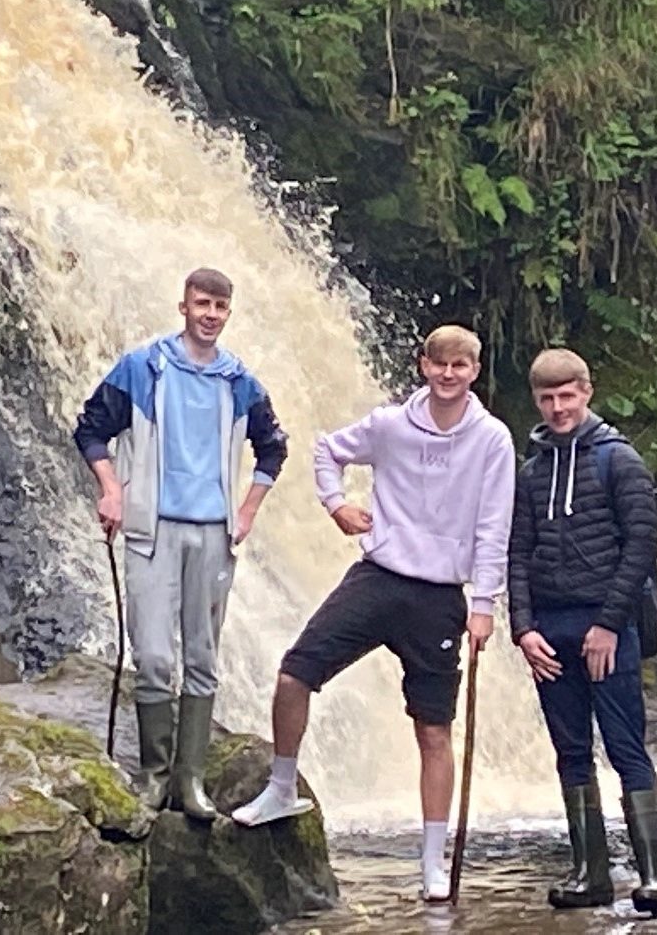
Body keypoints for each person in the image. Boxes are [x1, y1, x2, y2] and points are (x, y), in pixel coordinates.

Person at [231, 325, 516, 901]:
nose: (448, 374)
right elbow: (327, 450)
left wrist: (484, 604)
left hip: (440, 595)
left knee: (433, 729)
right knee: (294, 673)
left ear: (474, 371)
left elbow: (494, 524)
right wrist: (336, 504)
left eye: (460, 365)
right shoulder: (390, 425)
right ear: (423, 365)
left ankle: (432, 861)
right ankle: (281, 788)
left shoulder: (492, 439)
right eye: (439, 363)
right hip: (378, 577)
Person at [74, 267, 287, 821]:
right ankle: (154, 776)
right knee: (151, 656)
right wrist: (111, 490)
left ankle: (189, 782)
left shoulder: (239, 381)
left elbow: (273, 447)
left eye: (219, 306)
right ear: (183, 306)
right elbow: (90, 428)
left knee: (202, 657)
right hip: (151, 529)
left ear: (228, 313)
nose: (210, 315)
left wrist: (247, 510)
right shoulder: (142, 368)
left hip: (214, 533)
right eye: (202, 304)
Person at [508, 348, 657, 917]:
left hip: (608, 628)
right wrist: (523, 629)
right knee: (571, 752)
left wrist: (608, 624)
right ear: (537, 400)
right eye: (547, 398)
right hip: (549, 631)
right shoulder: (531, 472)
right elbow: (518, 553)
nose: (558, 407)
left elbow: (642, 546)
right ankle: (590, 874)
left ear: (586, 392)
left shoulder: (618, 460)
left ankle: (653, 879)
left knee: (626, 747)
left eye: (566, 396)